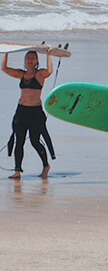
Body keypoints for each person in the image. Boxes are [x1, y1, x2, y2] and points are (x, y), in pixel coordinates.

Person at [2, 49, 56, 179]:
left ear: (37, 61)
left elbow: (49, 71)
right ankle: (17, 171)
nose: (30, 60)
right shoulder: (21, 74)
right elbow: (4, 68)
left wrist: (49, 55)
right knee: (19, 141)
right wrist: (6, 52)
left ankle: (46, 166)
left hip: (35, 113)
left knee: (35, 142)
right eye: (28, 57)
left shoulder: (39, 74)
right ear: (25, 60)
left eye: (32, 58)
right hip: (21, 112)